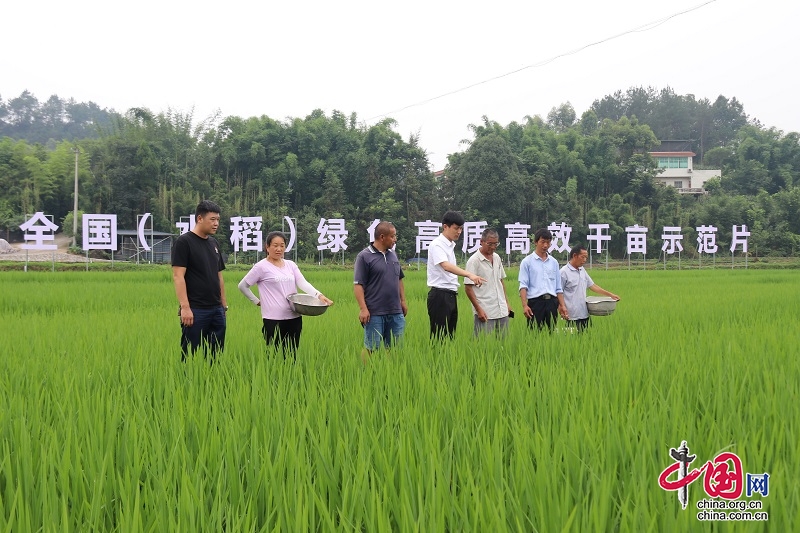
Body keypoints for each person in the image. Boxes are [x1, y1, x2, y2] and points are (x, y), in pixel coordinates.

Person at [238, 231, 333, 355]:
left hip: (294, 316)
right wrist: (256, 301)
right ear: (267, 247)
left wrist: (320, 296)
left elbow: (303, 283)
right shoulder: (261, 267)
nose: (279, 249)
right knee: (273, 355)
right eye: (275, 245)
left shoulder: (291, 265)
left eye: (282, 245)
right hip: (273, 318)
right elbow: (243, 286)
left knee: (292, 355)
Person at [172, 200, 228, 361]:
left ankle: (211, 383)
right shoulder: (184, 242)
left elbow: (219, 276)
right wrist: (185, 308)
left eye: (218, 219)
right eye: (212, 219)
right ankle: (189, 384)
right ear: (199, 218)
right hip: (196, 310)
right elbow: (178, 276)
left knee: (215, 354)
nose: (216, 223)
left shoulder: (213, 243)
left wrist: (223, 306)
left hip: (216, 309)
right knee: (191, 355)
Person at [426, 211, 487, 340]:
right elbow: (446, 266)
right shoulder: (437, 244)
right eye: (456, 228)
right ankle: (437, 360)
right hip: (439, 296)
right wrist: (470, 274)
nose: (459, 231)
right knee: (439, 338)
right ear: (445, 227)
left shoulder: (449, 246)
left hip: (450, 295)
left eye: (461, 228)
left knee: (450, 337)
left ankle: (447, 360)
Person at [354, 221, 408, 360]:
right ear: (382, 237)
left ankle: (392, 375)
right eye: (393, 236)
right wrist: (363, 309)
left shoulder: (393, 255)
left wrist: (403, 301)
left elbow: (399, 279)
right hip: (375, 312)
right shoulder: (364, 256)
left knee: (396, 349)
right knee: (371, 348)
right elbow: (358, 285)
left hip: (395, 312)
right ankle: (364, 374)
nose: (395, 239)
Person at [464, 228, 513, 336]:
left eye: (496, 244)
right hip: (485, 311)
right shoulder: (474, 261)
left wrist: (507, 304)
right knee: (483, 346)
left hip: (502, 310)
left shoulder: (497, 258)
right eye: (490, 244)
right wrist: (478, 310)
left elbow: (501, 281)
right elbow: (468, 288)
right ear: (481, 242)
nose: (493, 247)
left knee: (503, 345)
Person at [560, 244, 620, 331]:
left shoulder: (582, 270)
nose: (585, 260)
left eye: (586, 258)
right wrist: (561, 308)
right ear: (574, 256)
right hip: (571, 315)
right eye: (583, 257)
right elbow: (558, 293)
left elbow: (592, 286)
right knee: (572, 341)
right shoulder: (563, 272)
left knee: (586, 339)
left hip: (584, 313)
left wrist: (610, 295)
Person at [519, 228, 568, 331]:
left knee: (551, 334)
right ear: (536, 242)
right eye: (542, 242)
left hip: (552, 302)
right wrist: (524, 305)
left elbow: (558, 287)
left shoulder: (554, 262)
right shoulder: (527, 262)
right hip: (535, 303)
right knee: (534, 335)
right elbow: (523, 285)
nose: (545, 245)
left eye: (548, 242)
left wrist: (562, 305)